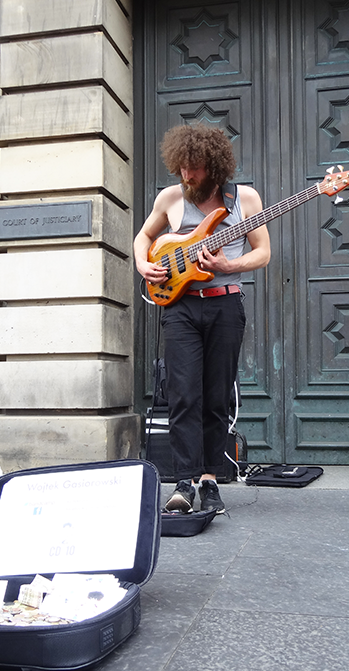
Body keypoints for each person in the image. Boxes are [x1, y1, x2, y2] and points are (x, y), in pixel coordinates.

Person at [134, 124, 271, 514]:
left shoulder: (244, 198)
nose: (186, 176)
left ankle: (210, 479)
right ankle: (183, 480)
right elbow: (143, 238)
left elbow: (262, 252)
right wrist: (144, 264)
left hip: (226, 305)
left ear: (214, 166)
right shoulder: (170, 197)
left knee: (216, 396)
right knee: (183, 394)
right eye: (181, 168)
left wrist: (231, 262)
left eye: (194, 169)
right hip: (179, 307)